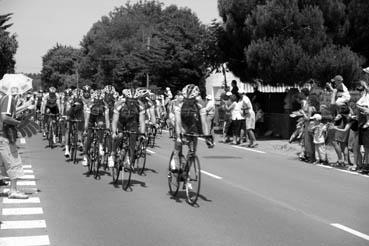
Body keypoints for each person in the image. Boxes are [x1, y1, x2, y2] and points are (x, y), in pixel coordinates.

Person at [170, 84, 214, 171]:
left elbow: (204, 122)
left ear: (196, 97)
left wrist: (207, 137)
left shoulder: (200, 104)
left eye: (191, 99)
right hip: (180, 121)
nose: (188, 101)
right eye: (186, 99)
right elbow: (178, 121)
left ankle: (186, 175)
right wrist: (179, 136)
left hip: (192, 123)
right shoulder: (179, 103)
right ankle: (175, 158)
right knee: (179, 141)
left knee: (192, 152)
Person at [108, 88, 148, 168]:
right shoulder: (119, 104)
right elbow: (115, 120)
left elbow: (142, 121)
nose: (132, 102)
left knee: (133, 137)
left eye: (134, 100)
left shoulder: (141, 106)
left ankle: (130, 158)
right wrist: (114, 132)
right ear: (126, 98)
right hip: (120, 121)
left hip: (132, 122)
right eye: (130, 100)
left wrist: (142, 134)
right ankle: (112, 155)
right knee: (119, 136)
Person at [0, 87, 29, 199]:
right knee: (13, 162)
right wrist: (18, 123)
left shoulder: (3, 98)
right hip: (4, 136)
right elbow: (5, 117)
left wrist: (24, 106)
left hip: (2, 136)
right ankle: (13, 190)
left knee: (3, 164)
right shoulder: (8, 98)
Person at [82, 89, 110, 167]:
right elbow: (87, 119)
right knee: (89, 137)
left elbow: (107, 119)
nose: (98, 103)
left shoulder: (105, 105)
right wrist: (85, 129)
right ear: (93, 99)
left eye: (100, 101)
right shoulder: (90, 104)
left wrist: (107, 129)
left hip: (99, 118)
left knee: (101, 126)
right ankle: (85, 156)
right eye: (97, 101)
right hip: (91, 118)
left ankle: (100, 144)